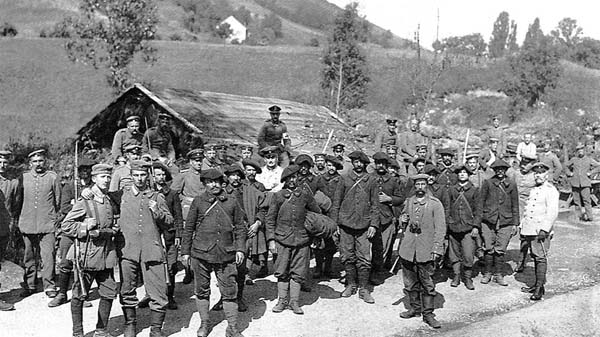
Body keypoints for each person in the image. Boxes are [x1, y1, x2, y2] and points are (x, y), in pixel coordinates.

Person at [182, 169, 247, 337]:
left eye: (217, 181)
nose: (214, 185)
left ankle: (232, 327)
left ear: (222, 183)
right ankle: (204, 324)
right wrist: (185, 252)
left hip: (226, 253)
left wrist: (240, 248)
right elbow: (188, 228)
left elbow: (240, 227)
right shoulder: (198, 201)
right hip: (201, 254)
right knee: (202, 290)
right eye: (209, 182)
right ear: (204, 184)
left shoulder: (232, 201)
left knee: (229, 291)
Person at [116, 160, 173, 337]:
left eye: (143, 175)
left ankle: (156, 329)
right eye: (136, 175)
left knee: (158, 291)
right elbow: (101, 198)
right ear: (131, 176)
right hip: (128, 250)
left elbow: (170, 222)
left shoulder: (156, 197)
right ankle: (130, 325)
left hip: (152, 250)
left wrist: (158, 212)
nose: (140, 179)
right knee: (127, 289)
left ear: (147, 176)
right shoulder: (122, 196)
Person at [61, 163, 119, 337]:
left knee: (109, 292)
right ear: (94, 179)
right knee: (79, 294)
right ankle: (77, 332)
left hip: (106, 253)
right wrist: (85, 227)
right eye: (102, 176)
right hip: (87, 254)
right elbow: (66, 225)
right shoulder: (84, 200)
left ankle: (101, 330)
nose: (106, 180)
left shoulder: (109, 199)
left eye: (109, 176)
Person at [266, 165, 321, 314]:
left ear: (298, 178)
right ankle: (282, 301)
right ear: (284, 180)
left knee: (298, 271)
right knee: (282, 270)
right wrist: (271, 240)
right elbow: (270, 219)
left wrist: (314, 234)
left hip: (302, 240)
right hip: (282, 239)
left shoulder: (305, 195)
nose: (292, 180)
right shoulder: (277, 196)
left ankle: (294, 302)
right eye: (288, 178)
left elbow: (317, 214)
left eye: (294, 177)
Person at [398, 174, 446, 329]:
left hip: (426, 249)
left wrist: (437, 248)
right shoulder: (409, 202)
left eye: (422, 184)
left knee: (427, 283)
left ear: (427, 185)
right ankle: (414, 308)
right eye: (417, 184)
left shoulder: (435, 204)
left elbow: (440, 228)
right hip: (409, 248)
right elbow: (402, 219)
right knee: (410, 282)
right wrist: (402, 221)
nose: (420, 187)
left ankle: (428, 314)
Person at [331, 150, 380, 304]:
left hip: (364, 225)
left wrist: (373, 224)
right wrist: (335, 224)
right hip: (345, 224)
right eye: (355, 162)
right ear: (352, 163)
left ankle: (364, 289)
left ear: (365, 163)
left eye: (360, 162)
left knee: (365, 258)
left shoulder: (371, 180)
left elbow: (375, 206)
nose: (358, 164)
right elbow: (336, 203)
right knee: (346, 256)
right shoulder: (344, 179)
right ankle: (351, 284)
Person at [49, 157, 95, 308]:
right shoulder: (69, 186)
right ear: (78, 171)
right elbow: (64, 208)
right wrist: (81, 202)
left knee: (83, 262)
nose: (85, 172)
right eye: (82, 169)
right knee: (65, 262)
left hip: (87, 229)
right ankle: (62, 293)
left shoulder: (95, 187)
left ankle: (81, 293)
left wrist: (80, 206)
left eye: (88, 169)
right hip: (70, 229)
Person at [18, 149, 61, 298]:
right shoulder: (23, 178)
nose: (38, 164)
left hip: (47, 223)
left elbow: (58, 201)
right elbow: (18, 200)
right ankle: (30, 285)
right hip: (27, 223)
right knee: (29, 257)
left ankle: (49, 286)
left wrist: (55, 219)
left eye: (41, 160)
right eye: (35, 161)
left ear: (45, 161)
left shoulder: (52, 177)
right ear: (30, 163)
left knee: (48, 256)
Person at [518, 162, 559, 301]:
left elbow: (552, 212)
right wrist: (522, 226)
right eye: (536, 173)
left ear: (546, 175)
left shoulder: (551, 190)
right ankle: (537, 284)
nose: (538, 175)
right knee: (535, 256)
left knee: (540, 257)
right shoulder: (534, 189)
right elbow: (527, 210)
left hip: (540, 231)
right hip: (530, 229)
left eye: (540, 173)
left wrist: (544, 229)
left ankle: (539, 289)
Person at [479, 159, 519, 286]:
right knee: (488, 248)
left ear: (506, 170)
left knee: (500, 249)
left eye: (502, 169)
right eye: (497, 169)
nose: (500, 172)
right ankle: (487, 273)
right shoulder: (488, 183)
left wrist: (515, 223)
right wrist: (478, 222)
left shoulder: (511, 184)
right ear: (494, 171)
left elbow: (515, 205)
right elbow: (480, 203)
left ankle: (498, 274)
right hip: (488, 220)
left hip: (506, 221)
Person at [150, 162, 183, 310]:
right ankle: (151, 295)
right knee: (153, 267)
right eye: (158, 174)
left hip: (169, 235)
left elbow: (177, 215)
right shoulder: (148, 193)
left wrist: (178, 234)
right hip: (152, 236)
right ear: (152, 176)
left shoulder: (172, 193)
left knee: (171, 267)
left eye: (163, 174)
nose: (161, 177)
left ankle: (170, 296)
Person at [370, 152, 404, 286]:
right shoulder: (368, 178)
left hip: (386, 218)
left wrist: (390, 199)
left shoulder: (393, 180)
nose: (380, 166)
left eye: (383, 164)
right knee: (366, 248)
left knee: (381, 249)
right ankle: (363, 273)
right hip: (370, 218)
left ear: (387, 165)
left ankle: (376, 273)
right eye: (378, 163)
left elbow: (401, 198)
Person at [447, 165, 481, 290]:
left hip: (468, 227)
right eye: (460, 173)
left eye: (464, 173)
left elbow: (478, 210)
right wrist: (448, 223)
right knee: (454, 254)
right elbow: (447, 207)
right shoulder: (451, 190)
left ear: (468, 175)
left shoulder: (474, 190)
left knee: (468, 254)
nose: (462, 174)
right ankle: (456, 276)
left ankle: (467, 277)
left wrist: (476, 226)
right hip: (453, 226)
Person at [314, 155, 344, 278]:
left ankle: (328, 267)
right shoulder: (320, 179)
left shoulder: (341, 180)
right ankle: (318, 267)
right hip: (321, 213)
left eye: (333, 166)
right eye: (329, 165)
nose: (331, 168)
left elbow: (339, 200)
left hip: (335, 214)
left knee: (332, 243)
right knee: (319, 242)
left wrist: (335, 219)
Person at [240, 159, 269, 282]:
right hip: (241, 221)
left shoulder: (260, 186)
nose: (251, 173)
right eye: (248, 170)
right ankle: (242, 273)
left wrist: (257, 222)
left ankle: (249, 273)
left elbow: (264, 207)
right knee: (243, 248)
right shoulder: (240, 186)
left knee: (254, 248)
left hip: (255, 221)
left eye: (253, 170)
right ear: (244, 171)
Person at [0, 150, 18, 311]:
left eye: (4, 162)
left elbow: (15, 205)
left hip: (3, 227)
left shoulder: (11, 182)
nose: (2, 165)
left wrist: (11, 225)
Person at [565, 142, 600, 221]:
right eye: (578, 150)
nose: (580, 151)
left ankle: (590, 217)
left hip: (585, 183)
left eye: (581, 150)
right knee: (577, 201)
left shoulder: (589, 159)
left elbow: (598, 166)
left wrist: (591, 173)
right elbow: (566, 166)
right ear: (577, 151)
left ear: (584, 151)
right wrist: (569, 173)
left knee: (587, 201)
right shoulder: (574, 159)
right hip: (575, 183)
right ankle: (579, 217)